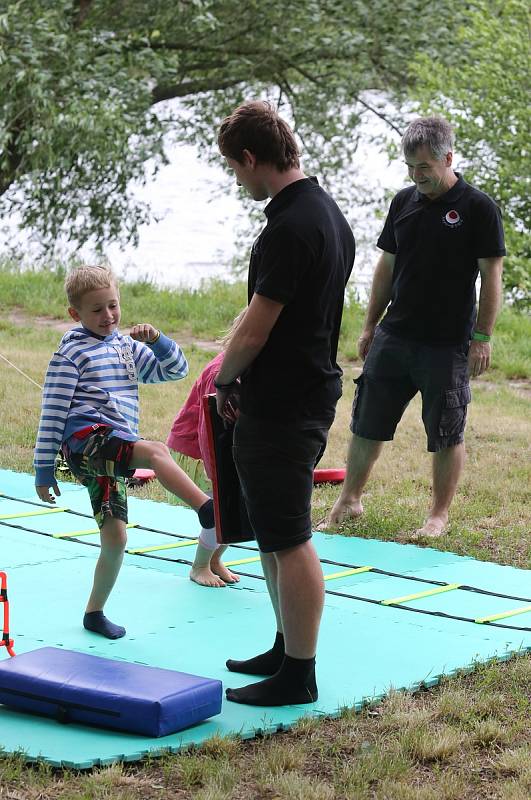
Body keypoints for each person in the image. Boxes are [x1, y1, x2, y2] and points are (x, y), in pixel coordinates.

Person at [214, 100, 355, 706]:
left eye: (234, 169)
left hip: (287, 401)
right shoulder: (325, 212)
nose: (237, 180)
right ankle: (283, 645)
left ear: (252, 158)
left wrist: (223, 378)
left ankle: (299, 672)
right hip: (296, 389)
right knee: (274, 530)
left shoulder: (291, 227)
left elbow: (256, 327)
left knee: (290, 535)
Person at [324, 116, 505, 537]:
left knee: (446, 430)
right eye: (409, 167)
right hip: (395, 333)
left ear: (448, 158)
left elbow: (492, 276)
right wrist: (370, 326)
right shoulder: (403, 202)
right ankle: (349, 500)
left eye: (424, 167)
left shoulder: (478, 208)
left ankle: (438, 515)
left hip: (447, 343)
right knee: (366, 420)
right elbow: (386, 266)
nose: (416, 175)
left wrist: (482, 336)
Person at [34, 265, 215, 639]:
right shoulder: (70, 353)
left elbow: (176, 370)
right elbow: (52, 411)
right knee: (155, 451)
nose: (108, 316)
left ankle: (94, 613)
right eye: (96, 310)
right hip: (87, 442)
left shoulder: (126, 347)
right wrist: (43, 468)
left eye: (113, 306)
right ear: (76, 314)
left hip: (115, 447)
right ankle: (206, 509)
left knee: (115, 538)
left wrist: (158, 341)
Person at [166, 312, 246, 588]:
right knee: (219, 513)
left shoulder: (248, 368)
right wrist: (217, 472)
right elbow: (207, 428)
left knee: (235, 512)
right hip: (201, 453)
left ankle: (214, 560)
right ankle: (199, 566)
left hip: (222, 453)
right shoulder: (220, 373)